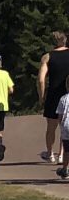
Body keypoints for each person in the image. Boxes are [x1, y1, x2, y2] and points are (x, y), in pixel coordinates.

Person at [40, 33, 69, 161]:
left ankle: (50, 153)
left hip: (53, 94)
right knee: (65, 125)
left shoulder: (47, 57)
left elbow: (41, 79)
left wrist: (41, 96)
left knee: (51, 128)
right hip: (67, 93)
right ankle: (62, 154)